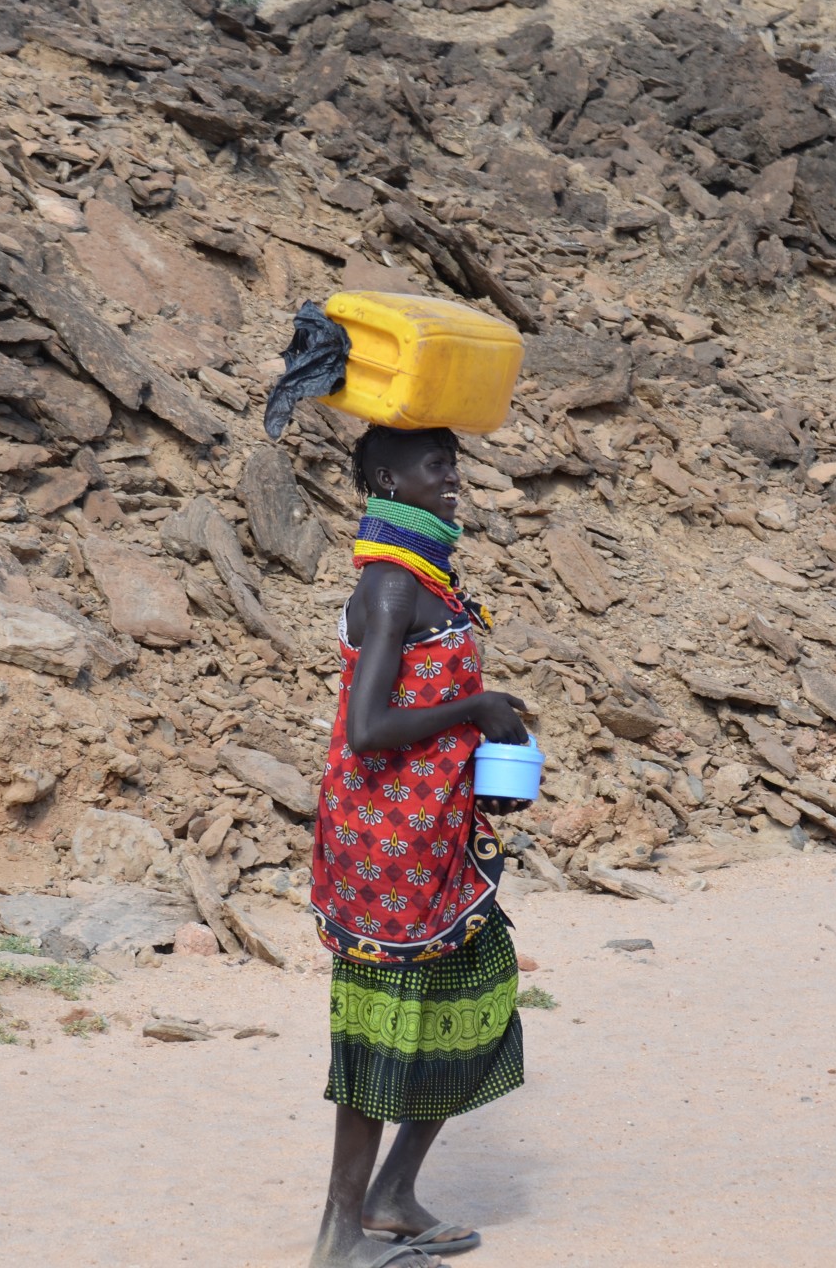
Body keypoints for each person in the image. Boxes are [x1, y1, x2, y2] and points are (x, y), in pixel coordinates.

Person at [308, 425, 535, 1268]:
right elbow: (368, 730)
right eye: (436, 465)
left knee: (473, 1000)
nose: (453, 480)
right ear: (383, 477)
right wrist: (478, 711)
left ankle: (393, 1195)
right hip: (385, 855)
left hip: (434, 841)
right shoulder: (393, 585)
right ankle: (339, 1234)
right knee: (382, 1032)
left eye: (454, 463)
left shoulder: (427, 581)